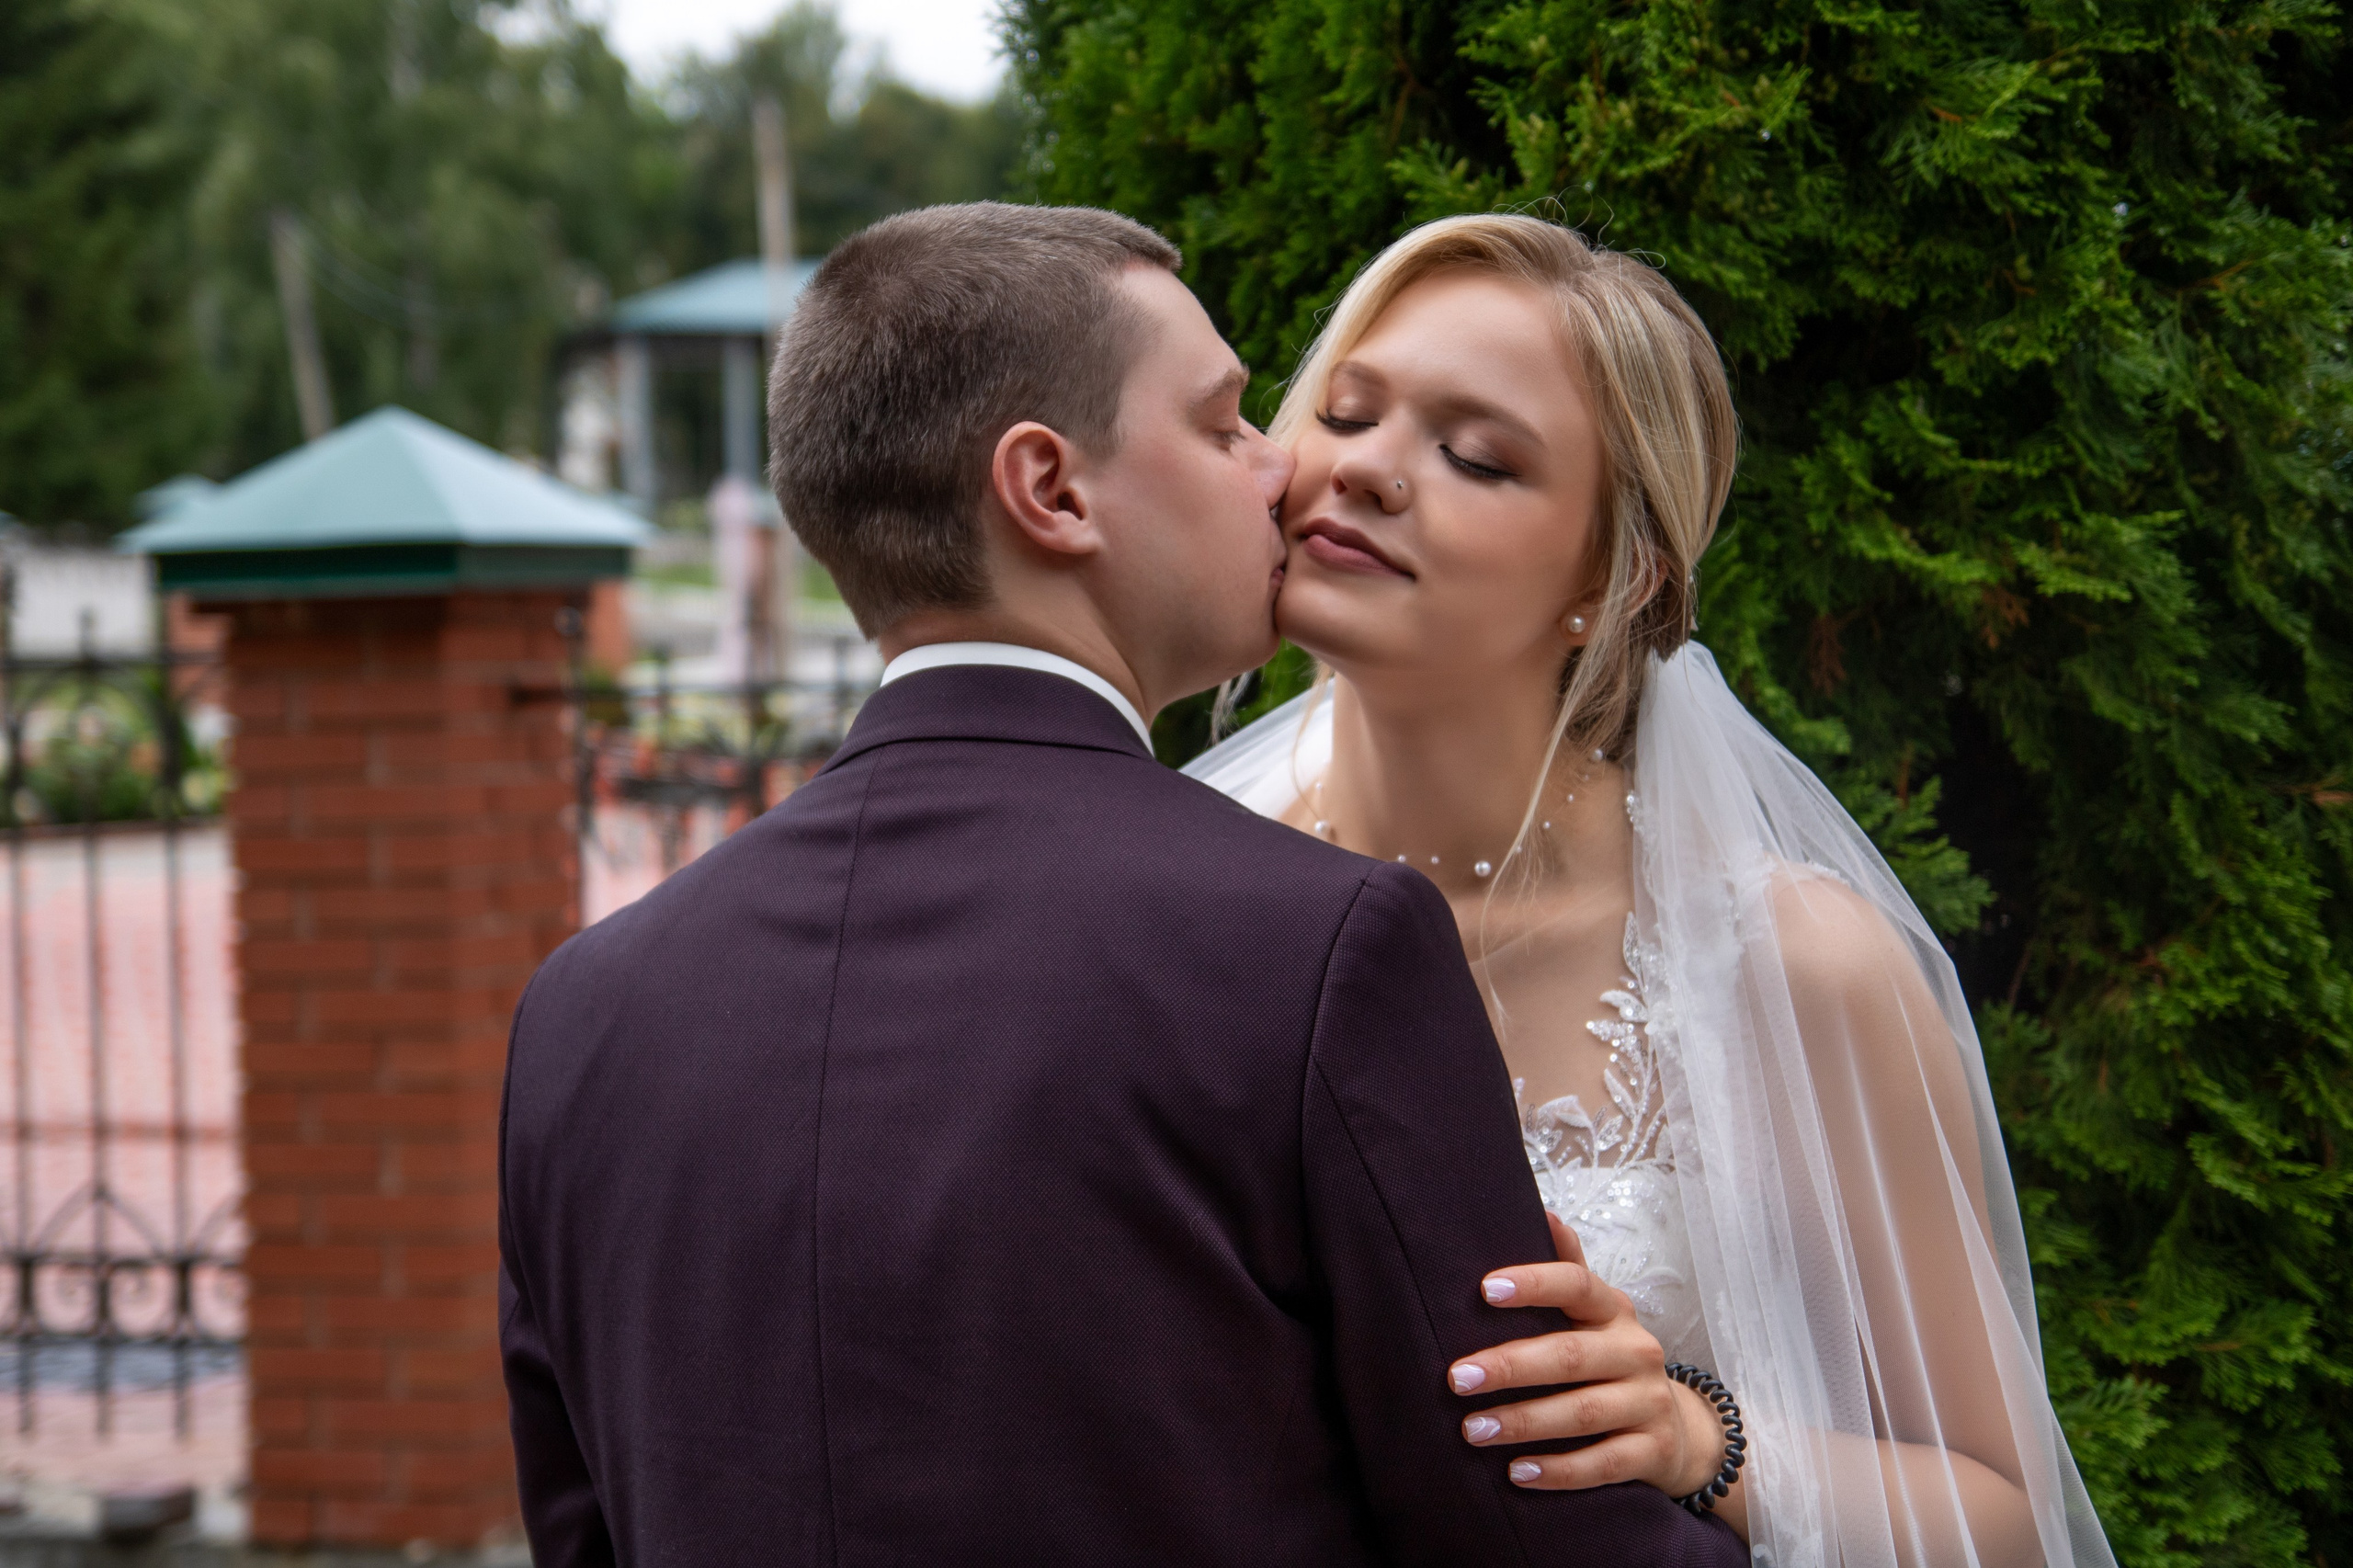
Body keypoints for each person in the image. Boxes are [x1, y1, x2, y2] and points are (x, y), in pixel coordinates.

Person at [497, 203, 1748, 1566]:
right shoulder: (1322, 947)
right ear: (1051, 488)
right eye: (1223, 425)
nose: (1284, 467)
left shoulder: (579, 1013)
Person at [1188, 212, 2120, 1568]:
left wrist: (1697, 1436)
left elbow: (2012, 1518)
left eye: (1477, 457)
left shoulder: (1787, 966)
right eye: (1345, 411)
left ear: (1615, 579)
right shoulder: (1181, 894)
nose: (1369, 470)